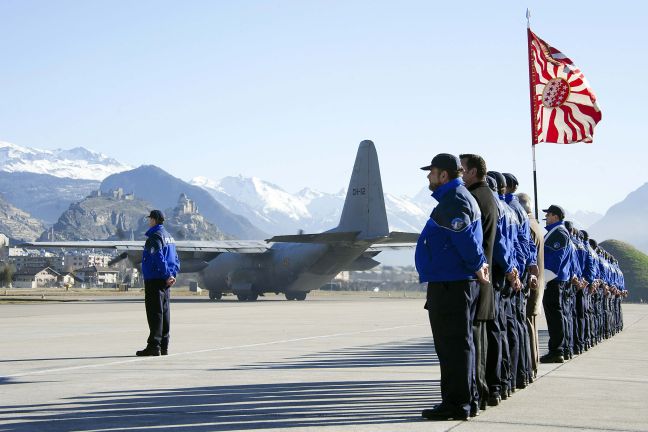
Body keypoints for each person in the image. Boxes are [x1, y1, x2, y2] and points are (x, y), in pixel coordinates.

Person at [416, 153, 489, 421]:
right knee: (459, 345)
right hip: (452, 282)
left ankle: (457, 404)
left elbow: (464, 235)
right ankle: (466, 400)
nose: (428, 176)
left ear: (443, 175)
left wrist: (477, 263)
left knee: (452, 347)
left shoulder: (454, 199)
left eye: (432, 171)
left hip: (452, 284)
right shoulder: (456, 197)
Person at [136, 210, 181, 357]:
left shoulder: (154, 237)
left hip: (155, 279)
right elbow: (175, 258)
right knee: (165, 313)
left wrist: (167, 274)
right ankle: (164, 346)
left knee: (155, 313)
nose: (149, 221)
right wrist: (172, 275)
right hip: (166, 281)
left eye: (150, 219)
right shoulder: (169, 237)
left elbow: (158, 257)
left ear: (154, 220)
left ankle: (154, 346)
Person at [540, 204, 573, 363]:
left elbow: (555, 261)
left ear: (555, 216)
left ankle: (557, 350)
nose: (546, 218)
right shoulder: (558, 232)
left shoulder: (558, 233)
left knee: (555, 317)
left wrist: (543, 279)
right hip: (556, 280)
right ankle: (561, 349)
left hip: (554, 280)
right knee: (557, 316)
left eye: (548, 215)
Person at [517, 193, 544, 380]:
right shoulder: (537, 226)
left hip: (530, 283)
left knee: (527, 326)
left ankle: (530, 367)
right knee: (530, 326)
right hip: (536, 283)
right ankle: (532, 366)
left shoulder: (529, 227)